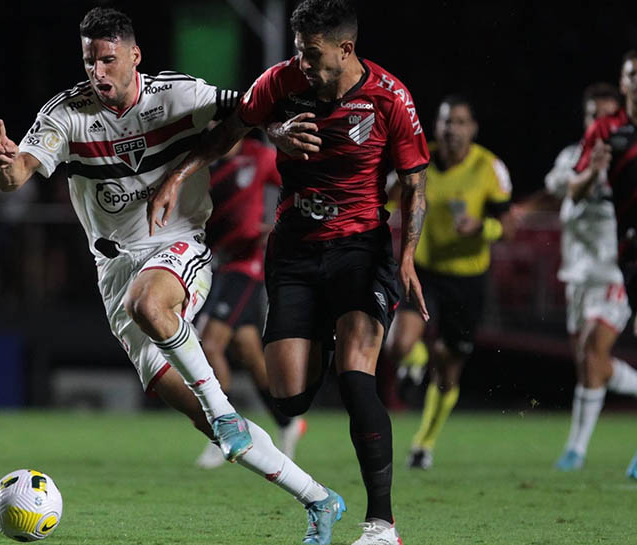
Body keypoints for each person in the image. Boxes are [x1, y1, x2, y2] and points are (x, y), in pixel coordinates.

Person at [0, 7, 343, 543]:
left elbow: (247, 110)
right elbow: (15, 177)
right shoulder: (67, 115)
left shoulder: (177, 96)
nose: (98, 72)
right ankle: (319, 499)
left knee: (151, 306)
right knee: (214, 428)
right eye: (90, 62)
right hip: (115, 270)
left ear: (134, 56)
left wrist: (277, 130)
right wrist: (3, 163)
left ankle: (222, 406)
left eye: (108, 60)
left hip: (179, 247)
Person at [148, 1, 430, 543]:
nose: (301, 61)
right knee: (288, 397)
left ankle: (381, 524)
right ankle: (324, 337)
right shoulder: (280, 84)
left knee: (355, 375)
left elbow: (415, 182)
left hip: (360, 249)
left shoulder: (390, 98)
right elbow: (231, 129)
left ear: (345, 49)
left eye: (312, 52)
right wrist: (181, 173)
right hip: (296, 250)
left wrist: (409, 254)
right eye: (297, 50)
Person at [384, 96, 515, 470]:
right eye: (445, 122)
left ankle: (424, 443)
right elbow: (383, 200)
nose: (451, 129)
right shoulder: (418, 161)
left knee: (449, 364)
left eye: (459, 122)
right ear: (435, 127)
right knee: (400, 345)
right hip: (423, 269)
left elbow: (508, 227)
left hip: (469, 277)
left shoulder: (490, 167)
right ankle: (417, 359)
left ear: (472, 128)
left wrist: (482, 227)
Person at [194, 135, 307, 469]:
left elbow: (299, 182)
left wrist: (281, 225)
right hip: (216, 263)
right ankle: (288, 423)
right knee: (247, 351)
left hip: (246, 265)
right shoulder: (203, 161)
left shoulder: (259, 155)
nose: (217, 128)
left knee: (209, 343)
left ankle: (224, 431)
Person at [545, 82, 637, 471]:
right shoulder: (573, 156)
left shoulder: (626, 158)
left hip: (615, 270)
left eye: (606, 116)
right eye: (592, 115)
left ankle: (576, 451)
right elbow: (559, 190)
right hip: (578, 277)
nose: (599, 122)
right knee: (591, 365)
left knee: (592, 352)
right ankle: (576, 450)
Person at [570, 51, 637, 479]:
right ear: (623, 82)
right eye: (634, 74)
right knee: (589, 353)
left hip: (613, 265)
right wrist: (593, 173)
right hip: (628, 253)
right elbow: (573, 192)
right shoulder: (607, 131)